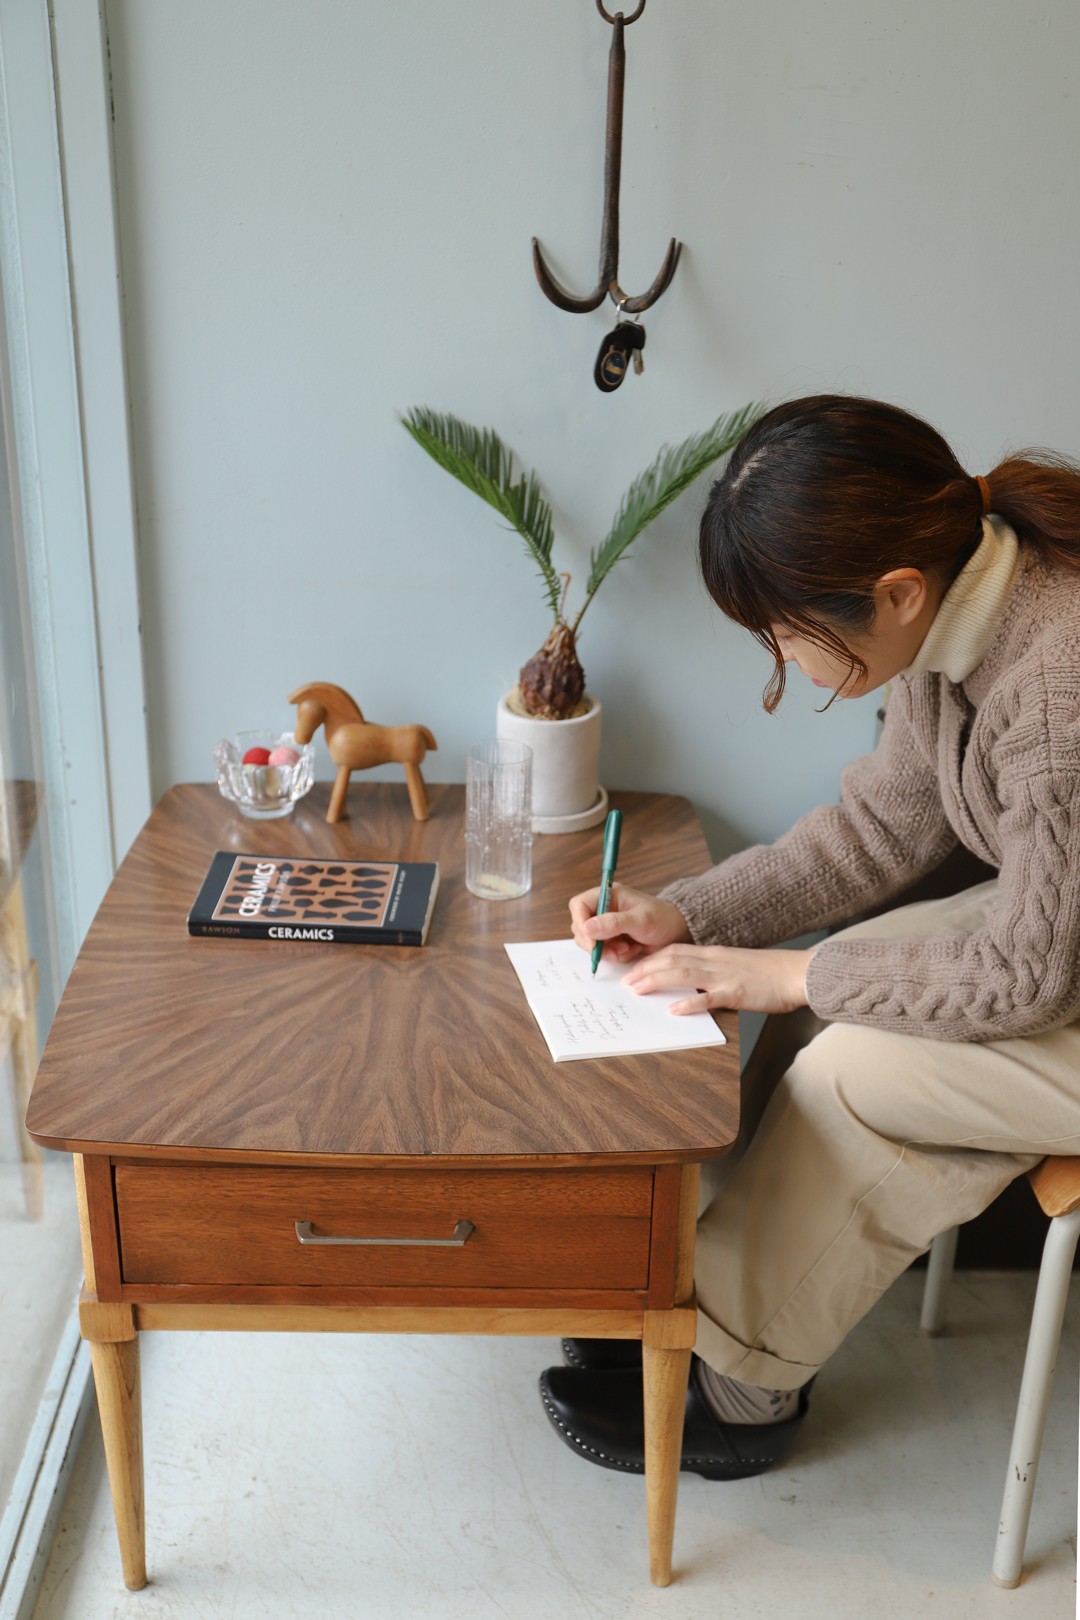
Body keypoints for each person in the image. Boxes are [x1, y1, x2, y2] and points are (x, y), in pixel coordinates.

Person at [538, 394, 1080, 1480]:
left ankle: (742, 1388)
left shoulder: (1057, 685)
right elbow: (877, 829)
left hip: (1054, 965)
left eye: (788, 633)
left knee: (844, 1065)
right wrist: (692, 915)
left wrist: (791, 974)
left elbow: (1026, 975)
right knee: (815, 1017)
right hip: (1061, 941)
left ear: (896, 592)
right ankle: (717, 1307)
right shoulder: (962, 616)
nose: (781, 660)